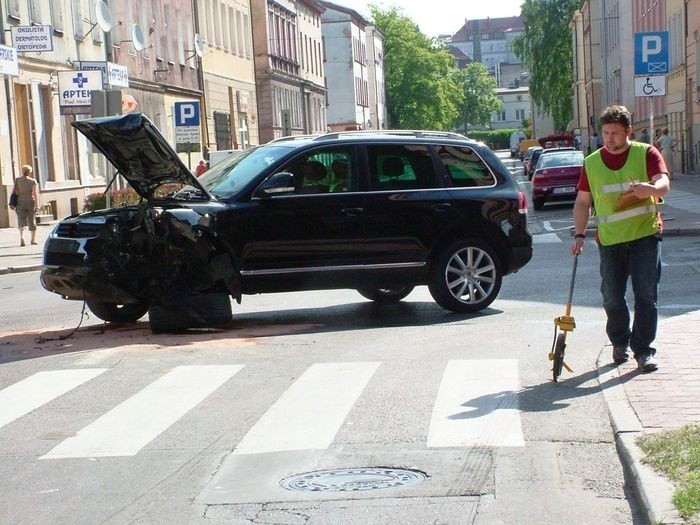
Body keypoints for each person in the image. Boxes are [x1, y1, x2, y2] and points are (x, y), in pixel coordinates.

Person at [571, 105, 670, 373]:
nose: (610, 138)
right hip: (610, 240)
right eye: (605, 132)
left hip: (645, 236)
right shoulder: (591, 162)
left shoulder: (646, 153)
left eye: (615, 132)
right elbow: (583, 202)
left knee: (646, 296)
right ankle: (619, 341)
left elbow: (663, 181)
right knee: (612, 297)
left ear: (628, 131)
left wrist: (651, 188)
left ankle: (643, 350)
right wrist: (579, 235)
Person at [11, 165, 39, 247]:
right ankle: (33, 240)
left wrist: (13, 202)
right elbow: (34, 194)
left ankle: (22, 237)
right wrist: (37, 204)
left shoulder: (17, 180)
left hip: (20, 202)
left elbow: (14, 191)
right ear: (30, 172)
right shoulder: (33, 181)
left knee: (21, 219)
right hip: (30, 202)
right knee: (31, 220)